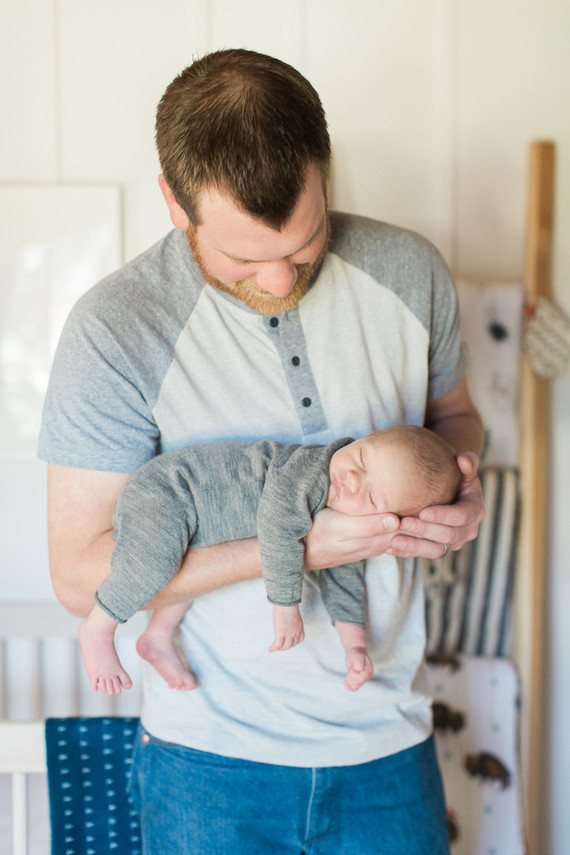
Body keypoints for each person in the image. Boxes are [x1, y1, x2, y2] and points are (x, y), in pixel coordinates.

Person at [40, 48, 484, 854]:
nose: (280, 281)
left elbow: (454, 415)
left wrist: (461, 485)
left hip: (388, 740)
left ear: (326, 171)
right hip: (209, 761)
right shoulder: (116, 329)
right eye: (244, 259)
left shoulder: (410, 270)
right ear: (176, 203)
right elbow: (79, 575)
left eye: (304, 244)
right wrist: (297, 549)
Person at [78, 425, 463, 696]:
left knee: (187, 571)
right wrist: (285, 606)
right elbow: (277, 527)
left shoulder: (343, 520)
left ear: (387, 519)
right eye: (361, 456)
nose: (353, 479)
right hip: (172, 491)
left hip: (195, 524)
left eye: (374, 498)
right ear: (360, 439)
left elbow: (344, 577)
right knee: (156, 564)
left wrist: (355, 646)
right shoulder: (311, 471)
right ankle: (98, 628)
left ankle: (158, 637)